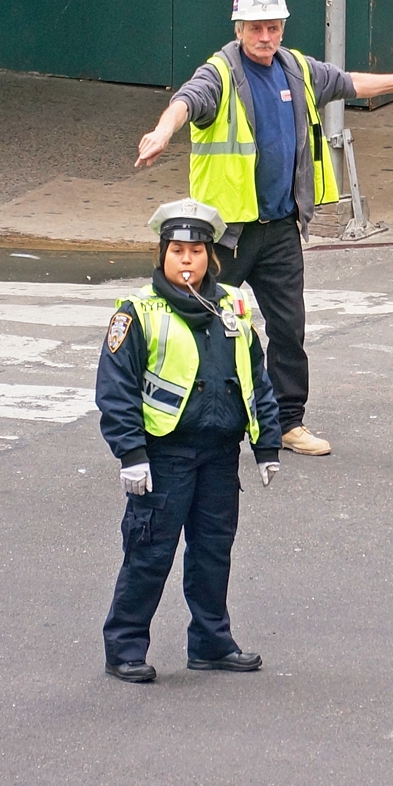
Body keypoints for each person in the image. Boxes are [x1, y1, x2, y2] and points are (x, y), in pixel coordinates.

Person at [134, 0, 393, 456]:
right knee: (199, 321)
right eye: (256, 28)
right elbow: (185, 102)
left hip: (280, 227)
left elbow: (350, 83)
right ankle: (181, 417)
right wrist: (161, 132)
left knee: (288, 327)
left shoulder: (297, 69)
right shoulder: (219, 73)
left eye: (273, 27)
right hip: (227, 234)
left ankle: (287, 422)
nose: (265, 36)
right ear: (239, 29)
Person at [99, 198, 282, 682]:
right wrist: (131, 454)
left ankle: (210, 642)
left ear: (211, 258)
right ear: (162, 253)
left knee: (213, 552)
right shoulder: (138, 312)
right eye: (177, 249)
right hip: (165, 457)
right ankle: (124, 647)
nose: (187, 260)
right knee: (149, 552)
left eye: (197, 251)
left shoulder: (233, 309)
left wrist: (267, 444)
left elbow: (255, 378)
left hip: (221, 455)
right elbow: (115, 390)